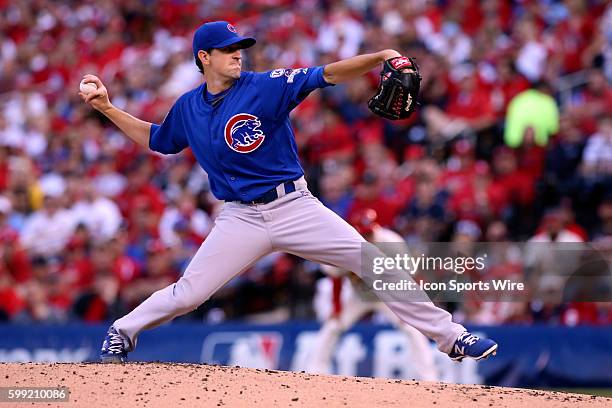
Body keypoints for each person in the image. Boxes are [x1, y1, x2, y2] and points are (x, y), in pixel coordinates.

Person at [79, 20, 497, 363]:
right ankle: (122, 331)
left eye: (239, 46)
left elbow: (326, 74)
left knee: (373, 263)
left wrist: (383, 56)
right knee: (191, 292)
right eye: (228, 49)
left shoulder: (265, 86)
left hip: (294, 205)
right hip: (240, 217)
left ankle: (452, 337)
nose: (238, 53)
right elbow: (157, 140)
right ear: (204, 58)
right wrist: (107, 108)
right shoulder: (188, 106)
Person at [309, 209, 439, 380]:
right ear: (354, 231)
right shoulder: (344, 244)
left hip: (387, 293)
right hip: (358, 295)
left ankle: (429, 378)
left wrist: (405, 305)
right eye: (364, 233)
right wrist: (337, 308)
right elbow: (336, 277)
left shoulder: (391, 242)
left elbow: (408, 276)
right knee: (333, 326)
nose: (368, 237)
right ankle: (314, 372)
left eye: (370, 232)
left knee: (411, 326)